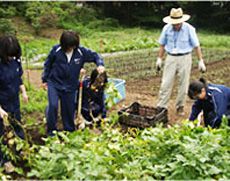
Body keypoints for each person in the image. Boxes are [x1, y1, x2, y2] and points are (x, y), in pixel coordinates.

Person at [42, 30, 105, 135]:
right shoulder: (56, 50)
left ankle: (69, 131)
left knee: (68, 109)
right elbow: (47, 64)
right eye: (69, 46)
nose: (71, 48)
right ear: (63, 44)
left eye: (73, 46)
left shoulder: (80, 52)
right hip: (55, 83)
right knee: (53, 106)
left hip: (70, 86)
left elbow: (95, 56)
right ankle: (51, 131)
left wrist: (100, 64)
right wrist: (44, 79)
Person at [156, 7, 206, 116]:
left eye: (178, 23)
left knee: (183, 83)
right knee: (166, 83)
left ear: (182, 20)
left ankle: (180, 106)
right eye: (174, 23)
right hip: (170, 57)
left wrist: (200, 60)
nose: (176, 25)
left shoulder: (189, 29)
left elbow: (196, 46)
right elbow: (162, 44)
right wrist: (159, 58)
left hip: (185, 57)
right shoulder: (166, 28)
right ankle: (162, 106)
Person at [0, 35, 28, 139]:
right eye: (9, 56)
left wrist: (24, 92)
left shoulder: (16, 61)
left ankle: (20, 149)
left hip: (14, 101)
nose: (11, 58)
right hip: (2, 103)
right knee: (3, 133)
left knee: (17, 126)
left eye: (13, 55)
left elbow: (18, 78)